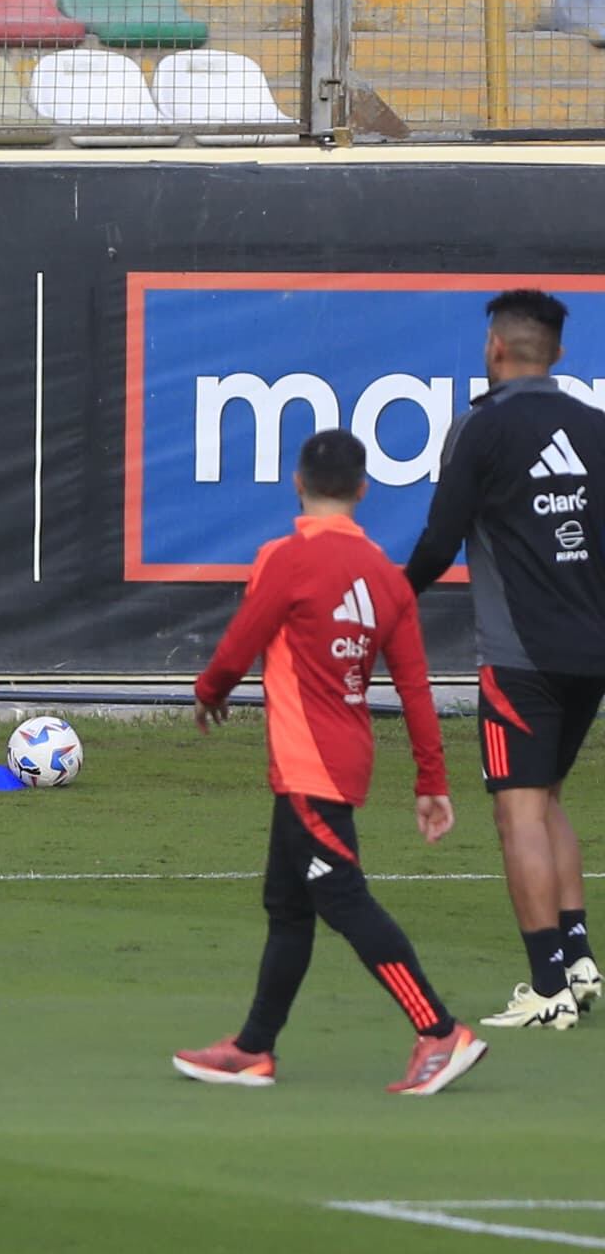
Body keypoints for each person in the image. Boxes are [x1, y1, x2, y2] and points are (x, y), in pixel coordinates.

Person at [173, 428, 481, 1095]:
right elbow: (415, 687)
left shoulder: (285, 559)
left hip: (309, 762)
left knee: (341, 897)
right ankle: (254, 1047)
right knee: (287, 905)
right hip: (338, 759)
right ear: (365, 489)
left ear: (297, 484)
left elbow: (238, 645)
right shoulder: (387, 577)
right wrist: (432, 779)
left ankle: (438, 1028)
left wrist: (209, 693)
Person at [400, 287, 605, 1032]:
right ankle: (578, 959)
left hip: (518, 656)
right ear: (557, 353)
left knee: (518, 807)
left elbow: (437, 540)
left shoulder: (479, 431)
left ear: (495, 348)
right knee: (547, 796)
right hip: (591, 651)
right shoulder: (594, 427)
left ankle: (547, 986)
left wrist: (390, 602)